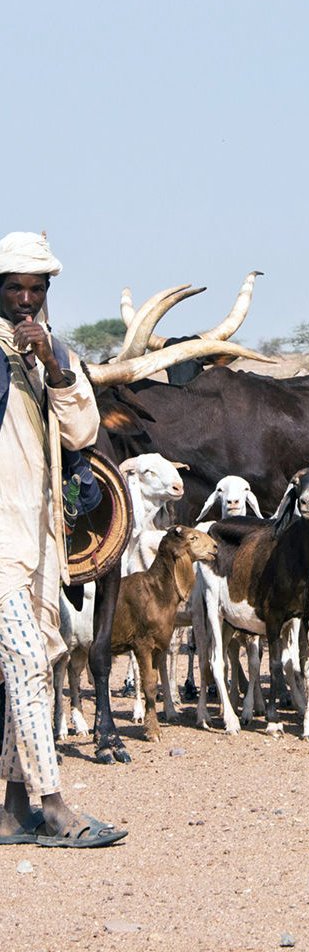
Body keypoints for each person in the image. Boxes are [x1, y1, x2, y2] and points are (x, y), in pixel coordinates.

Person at [0, 231, 127, 846]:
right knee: (26, 663)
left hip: (39, 535)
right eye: (13, 289)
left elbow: (82, 431)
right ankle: (52, 806)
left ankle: (10, 808)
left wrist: (51, 363)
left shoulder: (54, 354)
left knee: (36, 657)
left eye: (35, 290)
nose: (25, 301)